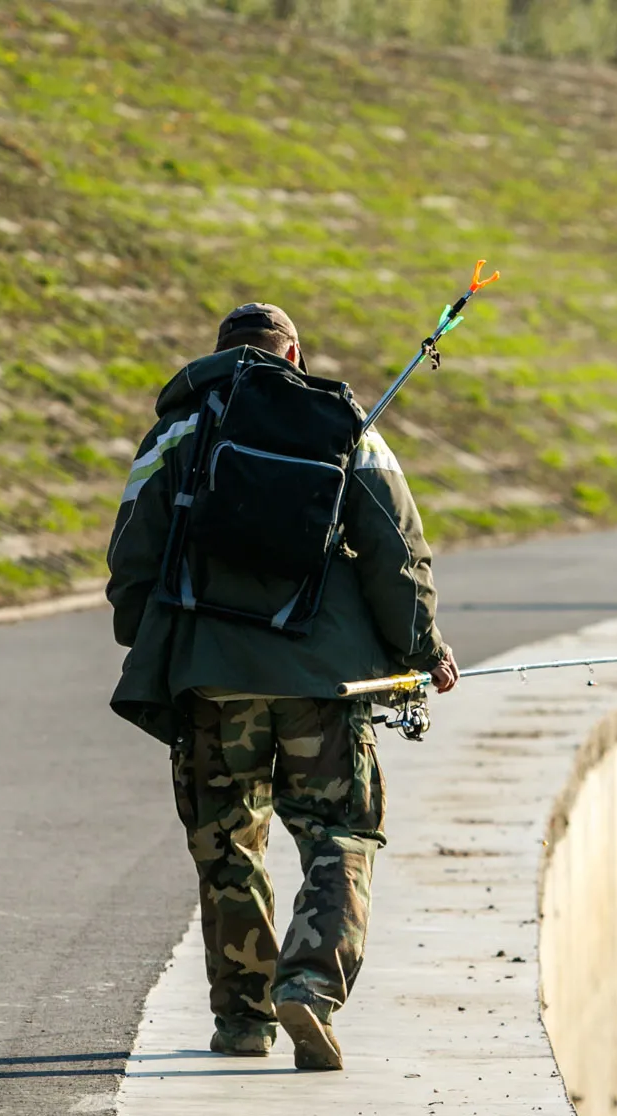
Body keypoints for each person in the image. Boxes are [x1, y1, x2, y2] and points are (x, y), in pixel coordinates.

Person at [105, 303, 458, 1071]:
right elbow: (398, 553)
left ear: (219, 354)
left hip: (209, 681)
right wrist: (423, 648)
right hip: (322, 683)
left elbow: (132, 557)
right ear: (293, 354)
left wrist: (158, 650)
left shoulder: (177, 432)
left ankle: (242, 1020)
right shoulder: (343, 427)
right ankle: (309, 981)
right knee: (340, 834)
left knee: (226, 843)